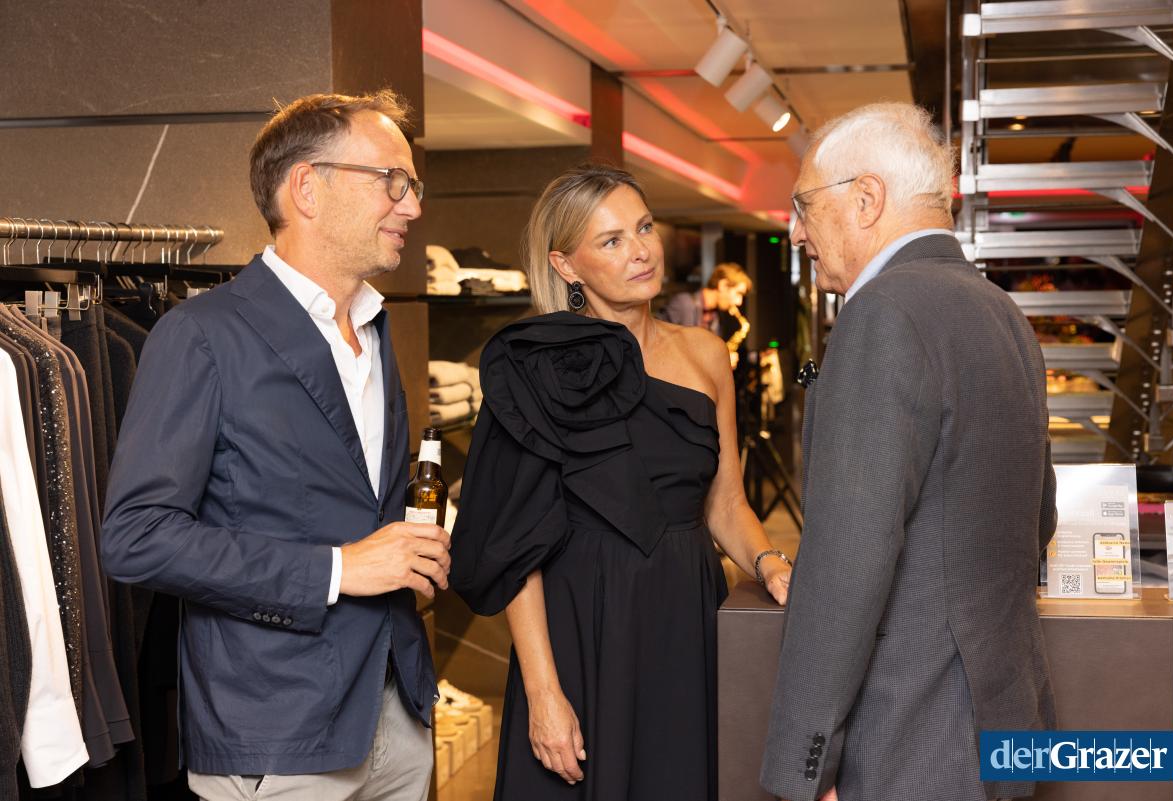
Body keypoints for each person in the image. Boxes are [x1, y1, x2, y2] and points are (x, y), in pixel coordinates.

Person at [101, 90, 449, 801]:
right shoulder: (201, 334)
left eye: (413, 186)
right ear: (307, 188)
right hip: (277, 728)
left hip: (396, 710)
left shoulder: (375, 327)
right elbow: (136, 537)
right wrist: (336, 569)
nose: (412, 206)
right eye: (392, 181)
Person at [450, 164, 792, 801]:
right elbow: (518, 548)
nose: (641, 251)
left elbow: (725, 504)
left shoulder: (705, 354)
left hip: (685, 616)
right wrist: (543, 692)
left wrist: (769, 561)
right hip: (581, 624)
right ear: (566, 266)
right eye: (611, 240)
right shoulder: (534, 366)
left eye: (644, 228)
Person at [760, 103, 1056, 801]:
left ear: (866, 199)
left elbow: (845, 564)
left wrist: (805, 767)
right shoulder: (1002, 311)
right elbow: (1038, 516)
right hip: (1005, 720)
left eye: (804, 206)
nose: (796, 230)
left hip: (912, 738)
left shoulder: (881, 315)